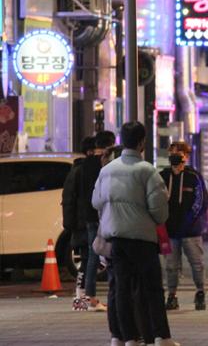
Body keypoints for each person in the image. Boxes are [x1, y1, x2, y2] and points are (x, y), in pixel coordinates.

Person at [92, 121, 179, 346]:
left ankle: (126, 338)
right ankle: (161, 336)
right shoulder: (147, 171)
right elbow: (159, 212)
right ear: (142, 142)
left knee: (121, 289)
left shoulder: (106, 171)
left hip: (116, 240)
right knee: (151, 288)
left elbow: (96, 202)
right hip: (142, 241)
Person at [159, 142, 208, 311]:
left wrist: (190, 220)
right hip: (169, 230)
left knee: (197, 263)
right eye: (172, 152)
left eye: (179, 153)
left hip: (191, 230)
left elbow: (201, 201)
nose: (176, 155)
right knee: (171, 265)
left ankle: (200, 292)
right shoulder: (162, 176)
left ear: (186, 156)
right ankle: (172, 295)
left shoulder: (193, 176)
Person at [79, 130, 116, 311]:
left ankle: (90, 296)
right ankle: (93, 298)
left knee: (93, 254)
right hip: (101, 214)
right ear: (109, 145)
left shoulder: (85, 163)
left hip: (89, 214)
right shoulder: (104, 164)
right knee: (103, 254)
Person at [62, 136, 95, 310]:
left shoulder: (76, 170)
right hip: (83, 222)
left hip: (79, 222)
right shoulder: (82, 171)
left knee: (87, 260)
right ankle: (81, 298)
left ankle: (80, 297)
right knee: (88, 260)